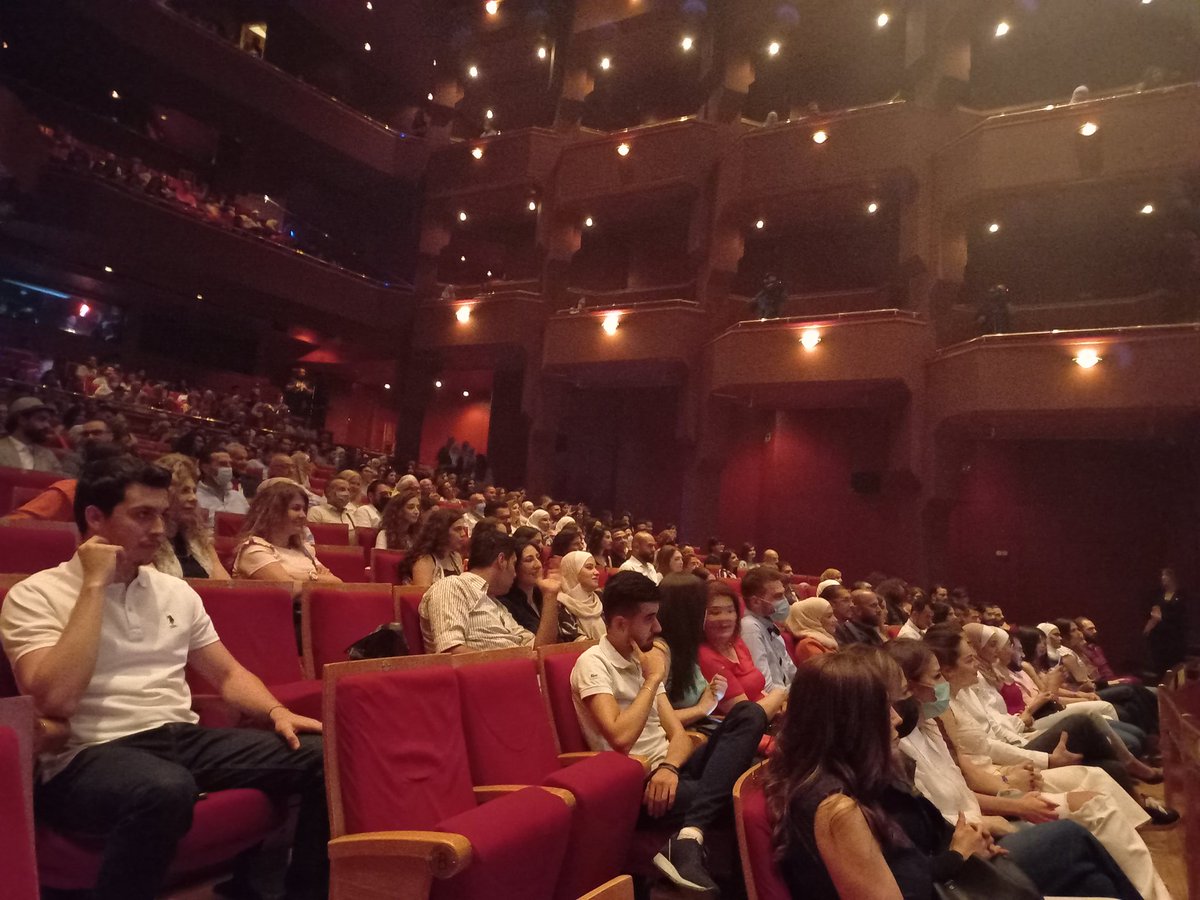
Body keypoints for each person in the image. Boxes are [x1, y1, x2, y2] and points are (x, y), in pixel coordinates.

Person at [0, 455, 328, 900]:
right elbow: (55, 701)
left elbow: (228, 673)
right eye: (142, 515)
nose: (158, 529)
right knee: (163, 788)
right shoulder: (34, 595)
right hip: (86, 754)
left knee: (320, 755)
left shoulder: (174, 590)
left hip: (178, 737)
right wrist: (95, 586)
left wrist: (275, 711)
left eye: (161, 514)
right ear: (94, 518)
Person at [763, 647, 1141, 900]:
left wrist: (965, 842)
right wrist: (959, 854)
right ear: (849, 723)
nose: (896, 718)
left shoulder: (853, 776)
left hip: (950, 874)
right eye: (883, 708)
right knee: (1076, 842)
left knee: (1095, 880)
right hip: (948, 884)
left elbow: (916, 844)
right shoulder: (836, 809)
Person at [889, 640, 1169, 900]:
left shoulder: (931, 723)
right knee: (1084, 813)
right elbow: (941, 824)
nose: (896, 717)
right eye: (937, 676)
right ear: (907, 690)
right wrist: (1009, 797)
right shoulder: (900, 749)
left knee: (1097, 878)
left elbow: (965, 783)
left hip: (987, 808)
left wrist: (1013, 795)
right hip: (972, 843)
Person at [570, 571, 770, 894]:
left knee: (750, 713)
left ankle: (689, 836)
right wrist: (652, 680)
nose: (659, 628)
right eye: (649, 618)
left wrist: (669, 767)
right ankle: (724, 875)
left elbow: (678, 735)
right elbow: (620, 737)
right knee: (739, 793)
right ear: (620, 623)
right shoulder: (593, 664)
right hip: (637, 784)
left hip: (670, 771)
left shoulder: (640, 660)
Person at [924, 625, 1177, 824]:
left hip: (1015, 742)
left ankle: (1135, 800)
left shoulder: (967, 690)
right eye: (971, 657)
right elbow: (978, 758)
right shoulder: (943, 707)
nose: (977, 662)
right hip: (1008, 758)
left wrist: (1024, 729)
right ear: (947, 670)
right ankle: (1136, 781)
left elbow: (995, 729)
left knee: (1107, 761)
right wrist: (1021, 770)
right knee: (1085, 722)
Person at [419, 528, 560, 653]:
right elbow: (451, 651)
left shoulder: (496, 604)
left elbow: (540, 650)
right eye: (513, 564)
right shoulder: (452, 586)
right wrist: (513, 666)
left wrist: (550, 596)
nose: (515, 574)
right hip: (489, 672)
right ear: (501, 560)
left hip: (521, 668)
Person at [697, 582, 787, 719]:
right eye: (715, 612)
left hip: (768, 716)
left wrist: (778, 703)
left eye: (730, 611)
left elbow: (759, 690)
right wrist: (780, 695)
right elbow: (747, 716)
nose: (725, 618)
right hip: (745, 726)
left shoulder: (737, 643)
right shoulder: (706, 656)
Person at [231, 480, 341, 583]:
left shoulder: (304, 550)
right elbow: (288, 588)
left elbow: (336, 582)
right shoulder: (254, 549)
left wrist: (298, 576)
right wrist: (313, 575)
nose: (303, 515)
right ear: (273, 512)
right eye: (296, 508)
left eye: (304, 509)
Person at [653, 574, 728, 725]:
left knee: (749, 714)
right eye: (705, 608)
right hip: (680, 736)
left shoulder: (684, 645)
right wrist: (702, 708)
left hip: (699, 728)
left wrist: (713, 690)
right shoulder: (659, 652)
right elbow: (651, 720)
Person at [152, 454, 229, 580]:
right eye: (185, 491)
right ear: (165, 495)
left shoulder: (199, 537)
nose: (194, 498)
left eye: (194, 491)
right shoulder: (148, 540)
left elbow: (223, 583)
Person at [739, 566, 796, 693]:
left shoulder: (769, 624)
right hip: (776, 700)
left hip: (786, 693)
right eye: (778, 596)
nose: (784, 601)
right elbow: (764, 685)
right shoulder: (750, 628)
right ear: (756, 602)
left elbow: (791, 671)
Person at [403, 508, 468, 586]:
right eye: (457, 529)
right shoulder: (424, 561)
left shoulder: (456, 557)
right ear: (442, 532)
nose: (463, 534)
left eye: (463, 529)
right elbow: (423, 593)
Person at [1144, 567, 1188, 678]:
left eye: (1166, 575)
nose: (1163, 578)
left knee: (1176, 670)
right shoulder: (1160, 595)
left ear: (1173, 577)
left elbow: (1181, 615)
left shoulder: (1181, 595)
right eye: (1162, 575)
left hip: (1175, 639)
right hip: (1160, 639)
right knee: (1162, 669)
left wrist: (1162, 616)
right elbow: (1155, 612)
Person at [0, 396, 62, 472]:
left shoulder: (48, 455)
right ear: (22, 420)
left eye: (48, 421)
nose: (47, 425)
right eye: (41, 419)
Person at [194, 446, 249, 525]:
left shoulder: (238, 497)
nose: (228, 468)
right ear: (205, 468)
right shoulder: (196, 499)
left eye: (230, 464)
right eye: (222, 464)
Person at [558, 549, 606, 640]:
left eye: (595, 567)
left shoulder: (599, 598)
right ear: (573, 572)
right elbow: (577, 643)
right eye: (589, 567)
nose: (597, 572)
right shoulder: (561, 605)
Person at [784, 597, 839, 663]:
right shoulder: (808, 645)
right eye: (829, 616)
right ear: (811, 620)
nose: (835, 619)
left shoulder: (826, 639)